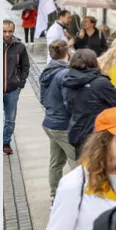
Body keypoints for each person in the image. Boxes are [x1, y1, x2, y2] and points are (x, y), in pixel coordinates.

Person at [64, 49, 116, 155]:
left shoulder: (69, 80)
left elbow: (69, 106)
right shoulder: (100, 83)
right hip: (96, 134)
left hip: (77, 132)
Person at [40, 40, 76, 198]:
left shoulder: (47, 71)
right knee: (78, 163)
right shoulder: (65, 74)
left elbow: (43, 99)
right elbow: (70, 102)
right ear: (67, 53)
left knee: (56, 163)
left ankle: (55, 196)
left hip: (50, 122)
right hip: (63, 125)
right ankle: (78, 197)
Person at [3, 19, 30, 155]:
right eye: (4, 31)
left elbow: (25, 66)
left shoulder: (19, 46)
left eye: (10, 31)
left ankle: (6, 142)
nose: (7, 34)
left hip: (12, 89)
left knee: (10, 118)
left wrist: (21, 83)